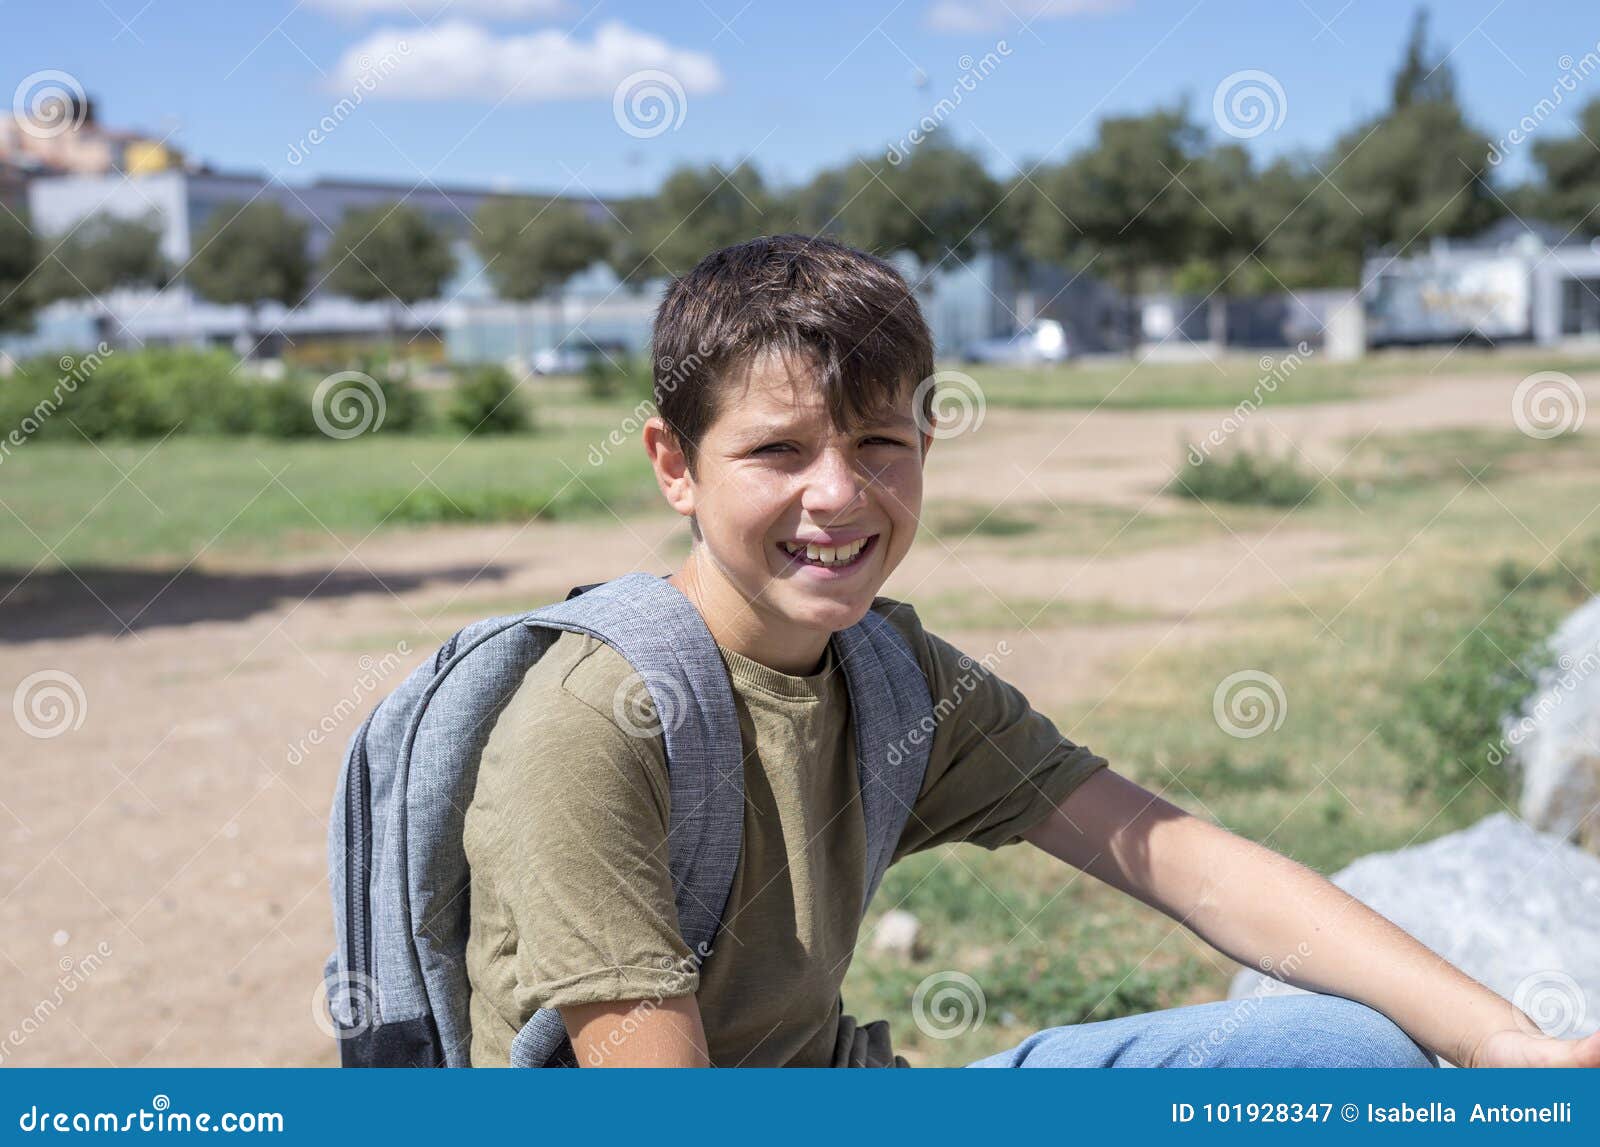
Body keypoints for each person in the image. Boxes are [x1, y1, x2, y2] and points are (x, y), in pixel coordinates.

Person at [462, 234, 1600, 1069]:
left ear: (926, 439)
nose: (837, 494)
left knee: (1338, 1060)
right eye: (776, 449)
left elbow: (1178, 858)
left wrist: (1503, 1039)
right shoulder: (594, 719)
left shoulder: (889, 674)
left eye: (876, 441)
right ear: (674, 464)